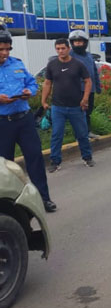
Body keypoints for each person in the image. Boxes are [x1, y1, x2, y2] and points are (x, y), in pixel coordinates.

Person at [0, 25, 56, 212]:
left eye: (8, 49)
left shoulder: (17, 64)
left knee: (35, 159)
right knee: (5, 166)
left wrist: (28, 92)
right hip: (3, 123)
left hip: (24, 120)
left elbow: (32, 83)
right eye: (1, 49)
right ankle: (10, 207)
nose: (5, 53)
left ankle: (43, 199)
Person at [41, 38, 94, 172]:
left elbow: (88, 81)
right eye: (58, 49)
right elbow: (47, 83)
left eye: (63, 48)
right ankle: (55, 161)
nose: (60, 51)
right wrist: (43, 101)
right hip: (58, 107)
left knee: (82, 134)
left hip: (76, 106)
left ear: (68, 49)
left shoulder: (78, 64)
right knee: (56, 135)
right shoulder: (52, 65)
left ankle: (87, 157)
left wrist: (85, 98)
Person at [69, 30, 101, 139]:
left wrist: (98, 86)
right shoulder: (70, 55)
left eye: (80, 41)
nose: (78, 43)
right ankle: (79, 135)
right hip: (77, 90)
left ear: (85, 42)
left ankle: (87, 132)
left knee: (88, 112)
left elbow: (94, 72)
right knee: (78, 112)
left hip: (90, 89)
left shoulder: (89, 56)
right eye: (75, 41)